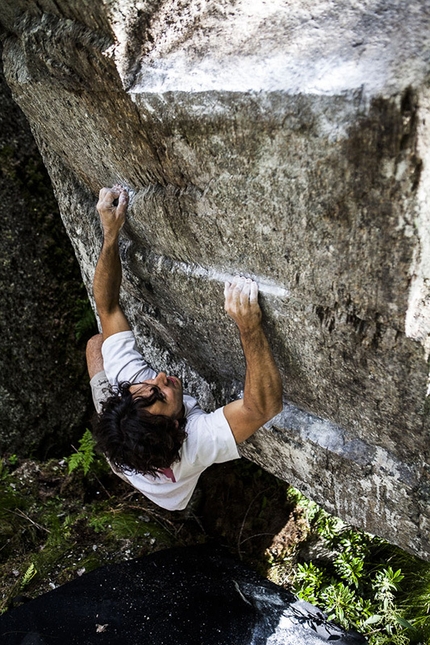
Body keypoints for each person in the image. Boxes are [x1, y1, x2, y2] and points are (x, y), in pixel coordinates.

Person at [86, 185, 283, 511]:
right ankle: (173, 499)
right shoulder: (192, 447)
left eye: (147, 386)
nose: (160, 377)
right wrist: (249, 327)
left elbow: (107, 307)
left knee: (97, 345)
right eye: (162, 394)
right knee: (164, 489)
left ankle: (119, 447)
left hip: (123, 441)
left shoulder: (130, 386)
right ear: (176, 427)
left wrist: (110, 234)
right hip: (171, 494)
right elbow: (262, 408)